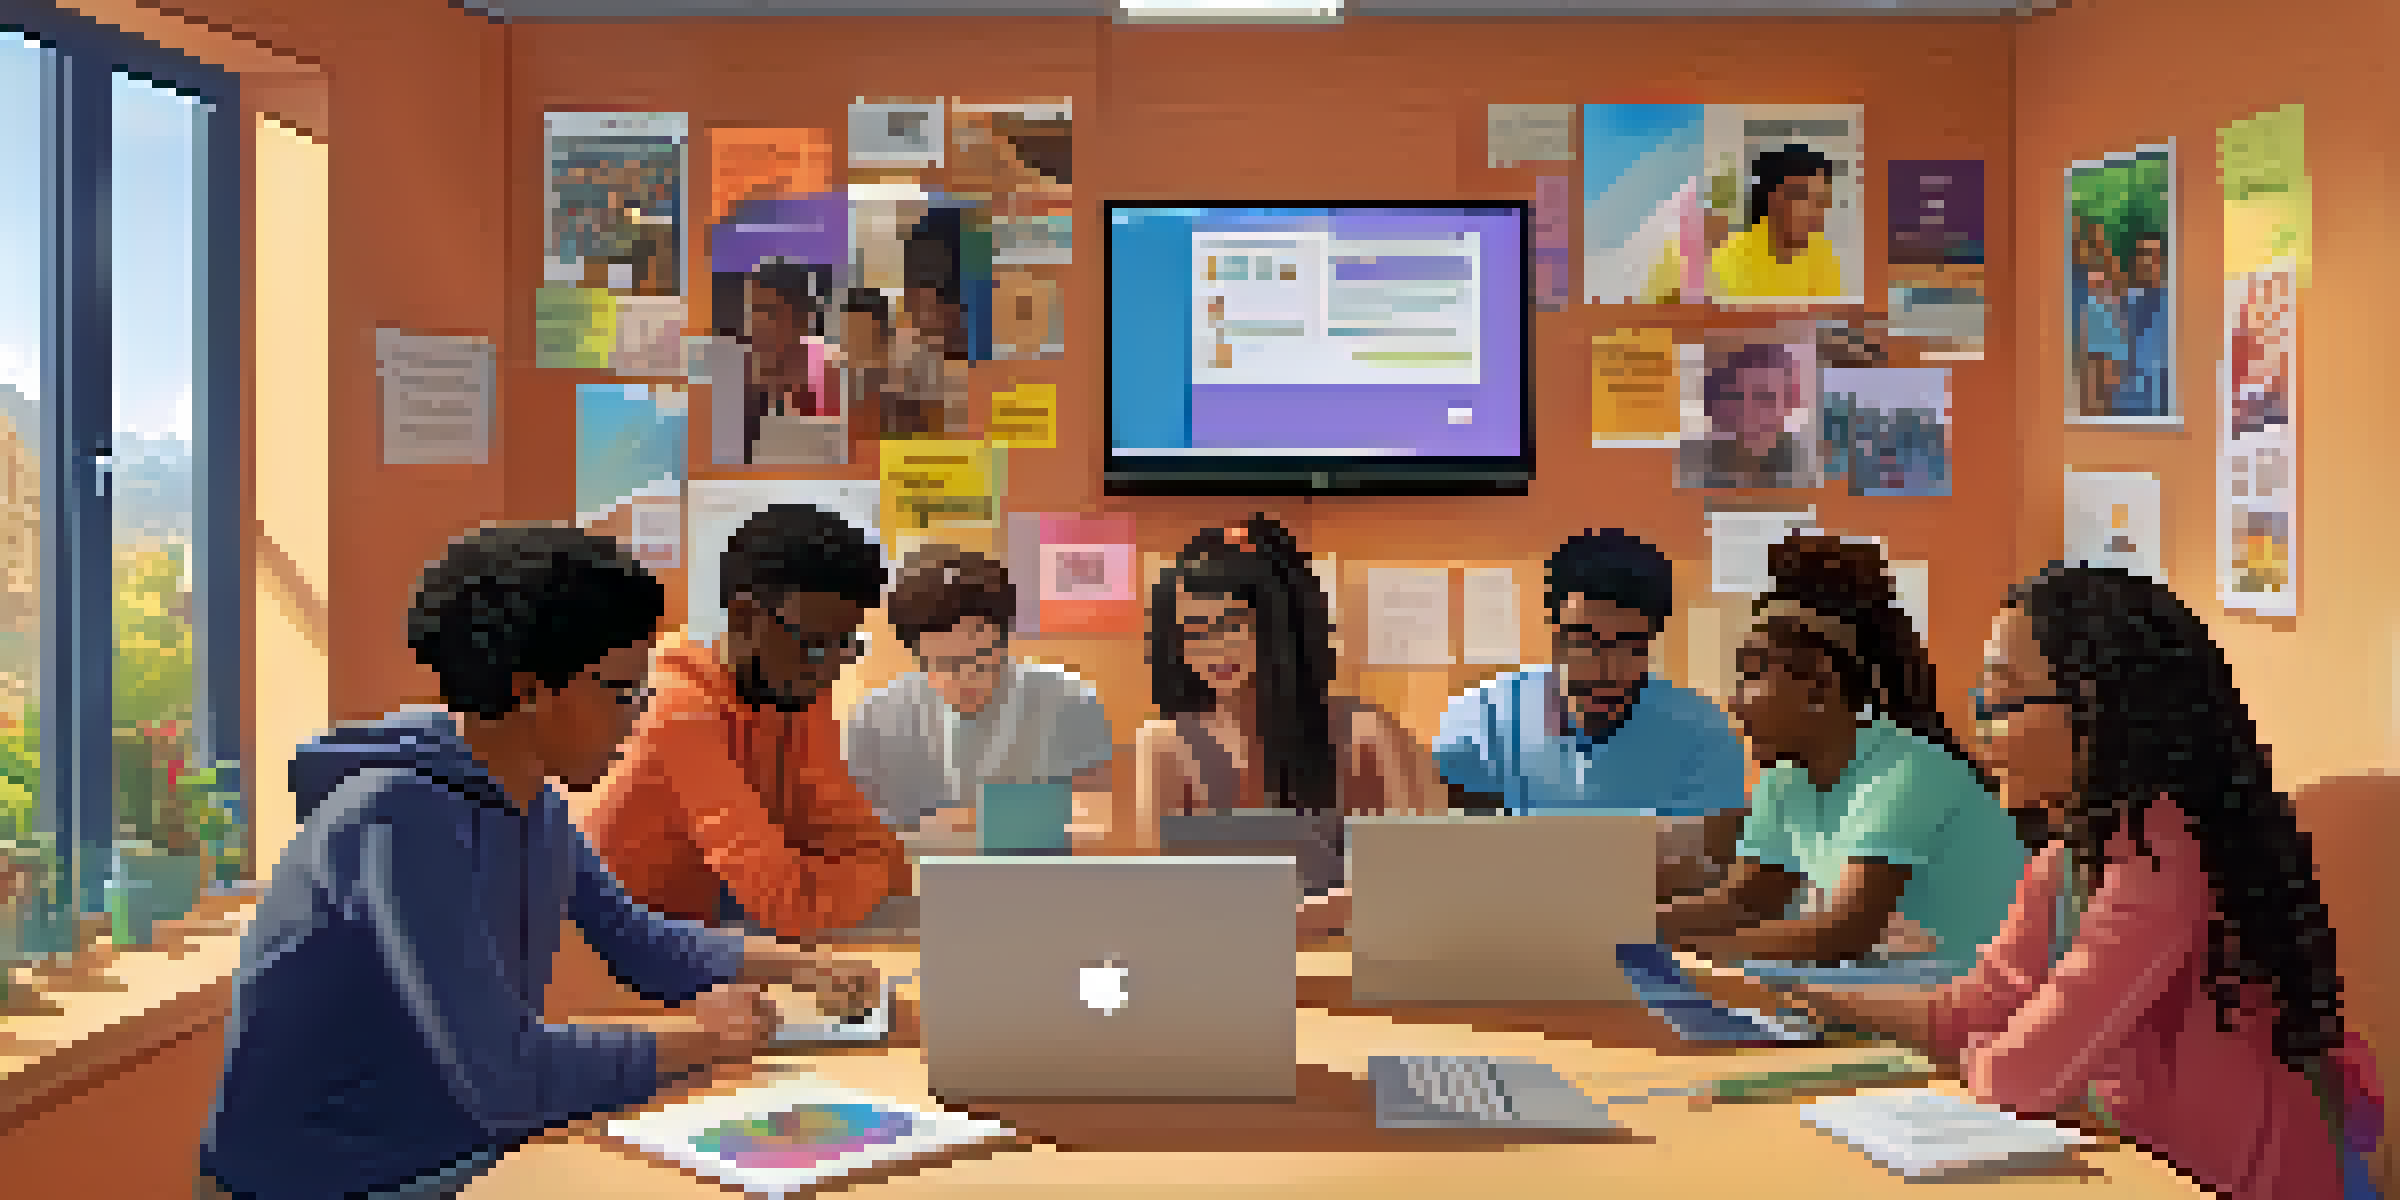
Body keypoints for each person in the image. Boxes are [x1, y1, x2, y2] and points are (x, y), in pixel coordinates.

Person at [198, 524, 877, 1200]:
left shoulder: (535, 805)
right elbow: (507, 1078)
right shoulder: (398, 816)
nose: (635, 719)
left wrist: (802, 966)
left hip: (456, 1150)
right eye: (619, 692)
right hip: (331, 1181)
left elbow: (640, 943)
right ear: (528, 689)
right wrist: (699, 1040)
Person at [1768, 565, 2380, 1200]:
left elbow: (2024, 1074)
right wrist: (1816, 997)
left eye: (2002, 702)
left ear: (2097, 710)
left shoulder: (2159, 851)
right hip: (2145, 1164)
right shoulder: (2071, 853)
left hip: (2230, 1181)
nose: (1980, 727)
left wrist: (1983, 1053)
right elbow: (1976, 1008)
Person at [1658, 537, 2023, 970]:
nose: (1735, 702)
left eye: (1753, 674)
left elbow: (1840, 935)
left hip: (1976, 1017)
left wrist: (1666, 952)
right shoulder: (1786, 779)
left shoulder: (1909, 771)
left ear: (1818, 685)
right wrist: (1616, 930)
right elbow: (1744, 900)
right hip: (1888, 1004)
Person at [584, 504, 911, 941]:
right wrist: (852, 877)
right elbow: (790, 905)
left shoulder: (796, 687)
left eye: (846, 645)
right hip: (603, 957)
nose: (832, 669)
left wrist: (849, 873)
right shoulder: (673, 705)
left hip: (696, 939)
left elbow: (867, 846)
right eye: (816, 645)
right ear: (743, 618)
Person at [1125, 516, 1443, 932]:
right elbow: (1158, 893)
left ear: (1279, 625)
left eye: (1232, 625)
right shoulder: (1164, 744)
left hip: (1340, 964)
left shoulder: (1363, 733)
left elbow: (1411, 882)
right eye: (1196, 633)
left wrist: (1276, 922)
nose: (1216, 649)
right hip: (1215, 962)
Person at [1432, 528, 1748, 902]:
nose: (1605, 670)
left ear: (1652, 641)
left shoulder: (1705, 735)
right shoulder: (1482, 719)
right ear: (1554, 632)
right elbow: (1451, 859)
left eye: (1630, 645)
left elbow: (1708, 879)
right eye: (1584, 640)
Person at [844, 544, 1116, 841]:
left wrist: (971, 820)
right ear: (916, 655)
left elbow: (1095, 815)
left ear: (1005, 641)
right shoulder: (875, 720)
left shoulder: (1070, 701)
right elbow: (856, 830)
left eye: (984, 659)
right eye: (946, 664)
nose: (967, 677)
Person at [1710, 143, 1846, 299]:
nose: (1816, 212)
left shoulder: (1822, 252)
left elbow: (1832, 315)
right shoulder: (1729, 259)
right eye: (1803, 196)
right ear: (1772, 197)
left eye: (1821, 200)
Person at [1678, 342, 1816, 489]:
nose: (1750, 410)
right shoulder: (1693, 464)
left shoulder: (1804, 467)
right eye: (1737, 396)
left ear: (1788, 402)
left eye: (1765, 396)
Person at [2118, 232, 2169, 417]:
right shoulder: (2120, 303)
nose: (2148, 261)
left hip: (2167, 406)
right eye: (2143, 254)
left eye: (2153, 255)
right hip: (2126, 404)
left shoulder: (2176, 304)